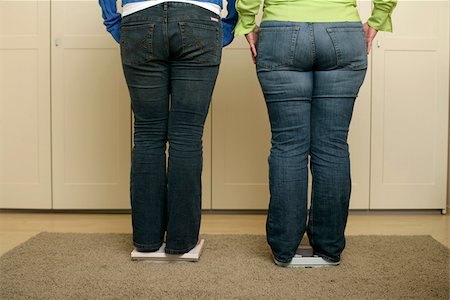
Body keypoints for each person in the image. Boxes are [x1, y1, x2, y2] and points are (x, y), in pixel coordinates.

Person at [235, 0, 397, 266]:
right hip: (343, 33)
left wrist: (248, 22)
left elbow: (248, 2)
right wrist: (378, 19)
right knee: (332, 145)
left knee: (288, 145)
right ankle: (329, 247)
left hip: (281, 32)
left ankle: (284, 248)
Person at [98, 0, 237, 254]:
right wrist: (228, 24)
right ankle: (181, 242)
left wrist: (114, 20)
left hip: (139, 19)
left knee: (147, 135)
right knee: (187, 135)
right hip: (200, 18)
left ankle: (147, 240)